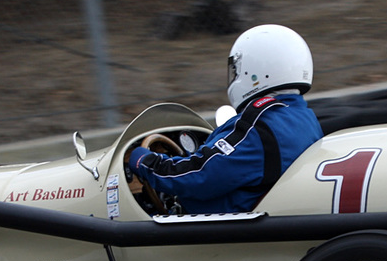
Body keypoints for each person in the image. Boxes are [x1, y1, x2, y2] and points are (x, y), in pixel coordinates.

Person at [127, 24, 324, 215]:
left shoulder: (259, 125)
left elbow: (199, 174)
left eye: (236, 70)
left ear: (255, 71)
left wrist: (146, 162)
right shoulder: (304, 117)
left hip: (221, 234)